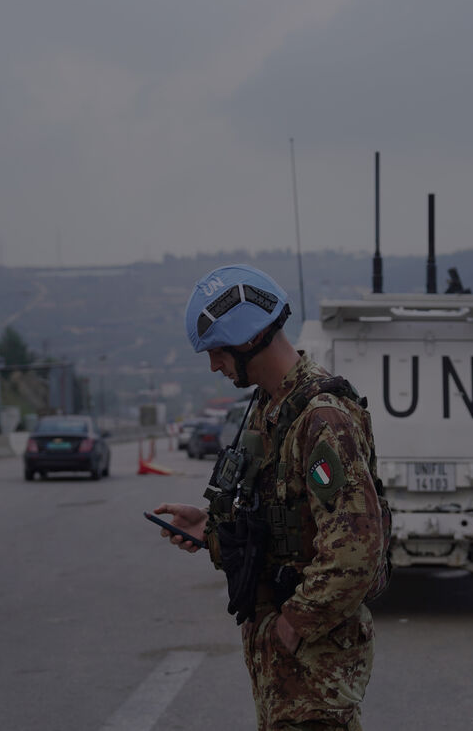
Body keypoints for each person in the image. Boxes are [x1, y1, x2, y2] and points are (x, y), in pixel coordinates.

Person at [154, 264, 384, 730]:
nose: (214, 366)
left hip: (314, 666)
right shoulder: (270, 408)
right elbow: (276, 520)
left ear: (250, 339)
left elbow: (357, 550)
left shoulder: (321, 418)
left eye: (218, 352)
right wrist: (210, 527)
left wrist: (295, 622)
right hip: (285, 664)